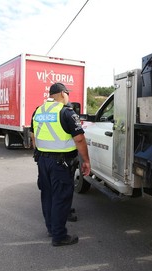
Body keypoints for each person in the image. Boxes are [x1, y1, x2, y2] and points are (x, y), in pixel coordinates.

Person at [31, 82, 90, 247]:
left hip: (42, 161)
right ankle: (59, 236)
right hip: (61, 163)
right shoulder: (66, 112)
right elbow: (79, 139)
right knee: (61, 198)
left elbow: (33, 136)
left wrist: (39, 153)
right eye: (68, 94)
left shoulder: (38, 111)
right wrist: (86, 161)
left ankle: (51, 228)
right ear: (63, 94)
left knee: (48, 195)